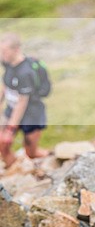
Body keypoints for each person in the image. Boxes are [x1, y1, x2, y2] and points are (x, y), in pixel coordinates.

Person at [0, 33, 49, 169]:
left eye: (4, 51)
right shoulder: (7, 62)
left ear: (16, 50)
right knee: (2, 144)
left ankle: (52, 158)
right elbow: (5, 83)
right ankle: (16, 171)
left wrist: (10, 129)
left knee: (31, 152)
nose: (1, 54)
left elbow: (22, 103)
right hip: (11, 108)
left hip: (31, 114)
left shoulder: (26, 72)